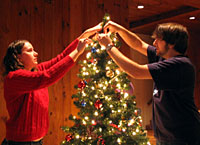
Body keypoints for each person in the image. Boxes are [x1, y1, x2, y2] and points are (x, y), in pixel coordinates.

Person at [97, 21, 200, 145]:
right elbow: (138, 44)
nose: (154, 43)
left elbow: (136, 71)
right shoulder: (164, 58)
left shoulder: (180, 65)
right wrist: (119, 29)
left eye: (158, 39)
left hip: (182, 136)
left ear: (172, 43)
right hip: (167, 136)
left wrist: (109, 47)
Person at [1, 23, 102, 145]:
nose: (36, 53)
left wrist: (85, 35)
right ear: (18, 58)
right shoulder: (14, 77)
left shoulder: (37, 70)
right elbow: (47, 76)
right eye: (30, 51)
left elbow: (61, 58)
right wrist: (78, 51)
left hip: (36, 141)